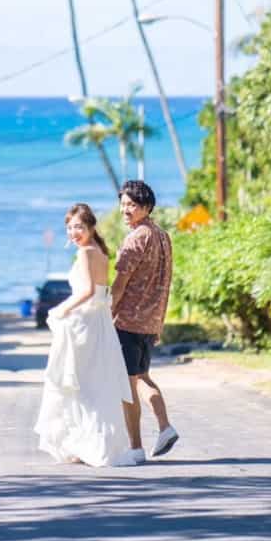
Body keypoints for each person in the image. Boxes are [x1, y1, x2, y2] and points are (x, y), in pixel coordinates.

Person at [34, 203, 136, 467]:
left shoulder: (85, 254)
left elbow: (89, 290)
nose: (73, 232)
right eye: (69, 227)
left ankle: (87, 443)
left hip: (85, 324)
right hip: (98, 322)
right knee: (94, 383)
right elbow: (103, 291)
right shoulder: (100, 252)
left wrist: (60, 309)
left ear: (91, 227)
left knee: (80, 384)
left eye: (79, 226)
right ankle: (89, 442)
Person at [111, 180, 178, 465]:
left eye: (132, 205)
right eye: (123, 204)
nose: (126, 209)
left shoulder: (137, 237)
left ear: (146, 207)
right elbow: (166, 281)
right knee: (142, 378)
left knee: (127, 386)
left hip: (128, 321)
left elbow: (120, 282)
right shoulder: (163, 236)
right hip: (150, 322)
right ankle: (165, 428)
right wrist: (159, 322)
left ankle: (136, 448)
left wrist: (106, 313)